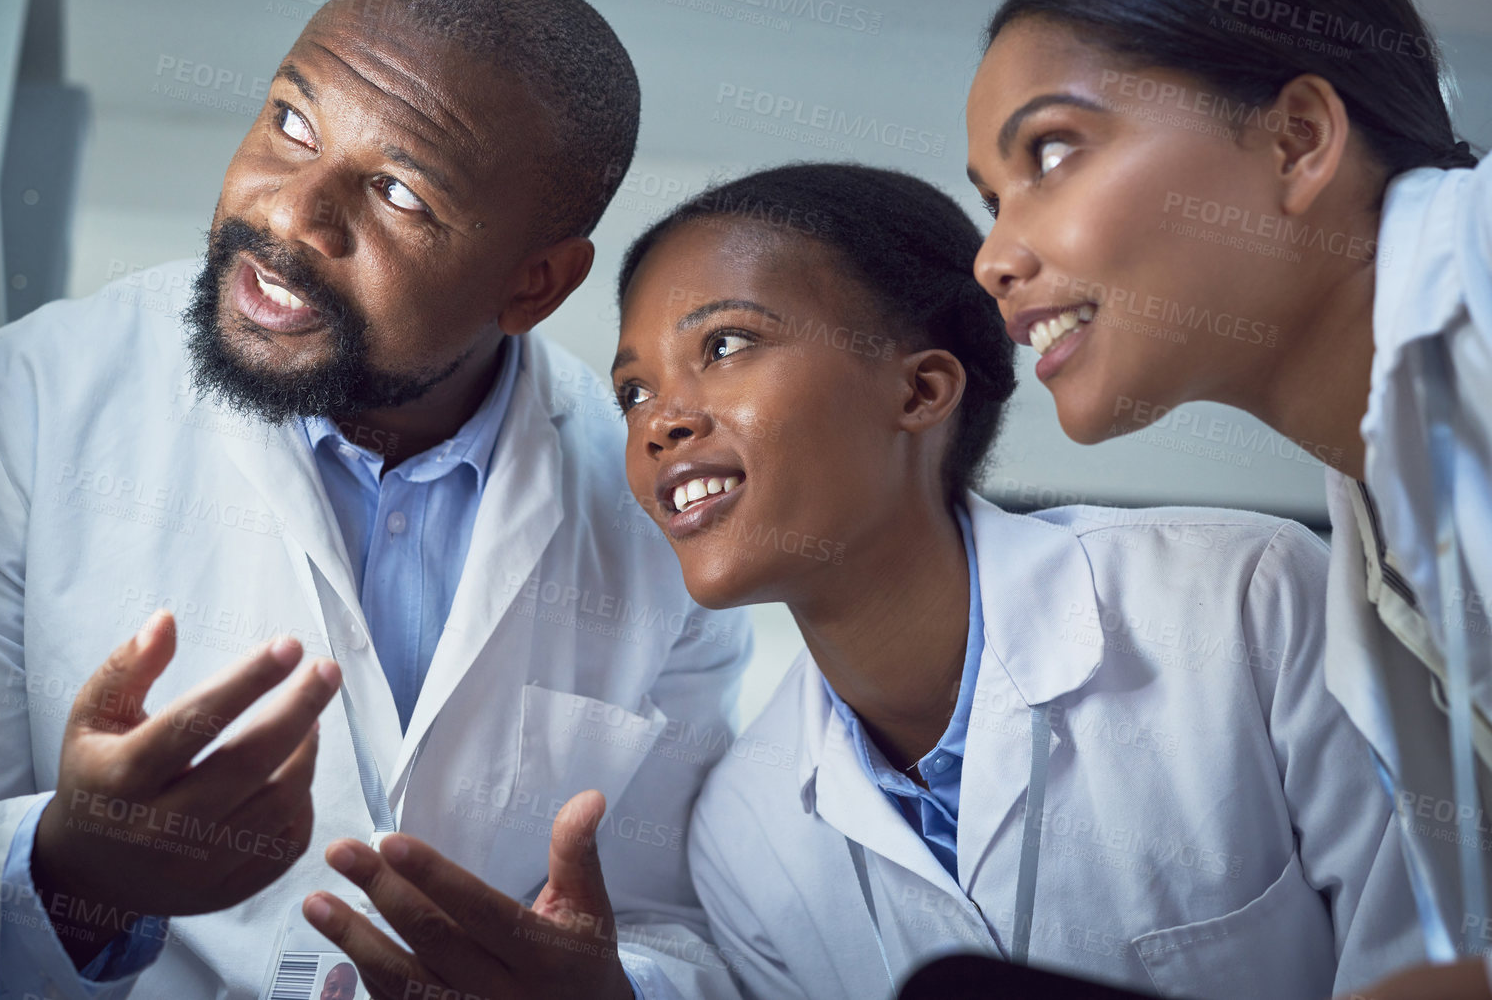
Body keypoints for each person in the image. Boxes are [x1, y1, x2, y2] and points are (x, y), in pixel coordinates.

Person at [0, 0, 749, 1000]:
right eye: (291, 122)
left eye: (397, 191)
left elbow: (669, 925)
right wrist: (64, 869)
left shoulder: (662, 507)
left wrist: (605, 992)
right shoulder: (18, 406)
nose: (291, 216)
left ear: (534, 282)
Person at [610, 163, 1424, 999]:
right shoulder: (743, 833)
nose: (659, 423)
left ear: (921, 390)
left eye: (726, 344)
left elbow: (1449, 955)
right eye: (632, 391)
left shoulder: (1242, 603)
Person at [962, 0, 1492, 999]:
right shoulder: (1372, 593)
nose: (993, 254)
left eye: (1051, 152)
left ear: (1298, 140)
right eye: (989, 198)